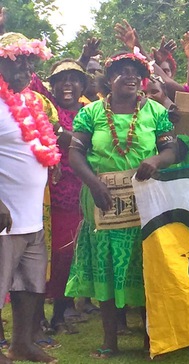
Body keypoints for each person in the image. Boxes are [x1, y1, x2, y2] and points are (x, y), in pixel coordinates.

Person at [65, 50, 177, 359]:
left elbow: (172, 150)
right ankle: (109, 340)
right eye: (122, 70)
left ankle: (148, 337)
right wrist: (94, 183)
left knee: (144, 267)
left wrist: (156, 159)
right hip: (102, 200)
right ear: (108, 79)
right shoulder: (91, 114)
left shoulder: (155, 111)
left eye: (135, 72)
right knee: (108, 266)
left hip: (145, 202)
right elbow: (76, 154)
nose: (130, 76)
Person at [0, 31, 60, 364]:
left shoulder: (32, 102)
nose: (24, 70)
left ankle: (21, 344)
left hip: (33, 217)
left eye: (28, 62)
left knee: (29, 286)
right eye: (16, 62)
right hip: (4, 217)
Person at [29, 59, 90, 335]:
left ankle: (60, 315)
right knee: (43, 257)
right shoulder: (44, 111)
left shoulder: (93, 113)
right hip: (47, 196)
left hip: (81, 196)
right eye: (61, 79)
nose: (68, 84)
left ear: (83, 86)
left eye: (74, 78)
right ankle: (38, 315)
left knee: (70, 257)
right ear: (51, 86)